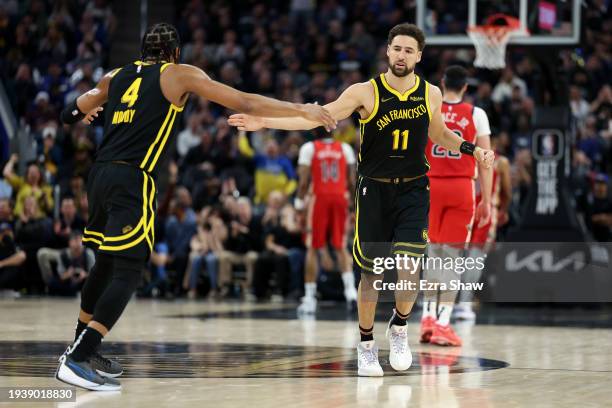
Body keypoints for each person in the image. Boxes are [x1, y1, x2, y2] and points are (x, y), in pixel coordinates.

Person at [55, 22, 335, 391]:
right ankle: (78, 356)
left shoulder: (115, 76)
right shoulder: (180, 74)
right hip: (132, 179)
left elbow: (70, 114)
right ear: (175, 53)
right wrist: (301, 108)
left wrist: (90, 114)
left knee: (106, 264)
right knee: (129, 271)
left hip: (100, 175)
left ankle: (80, 347)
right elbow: (245, 101)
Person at [228, 23, 494, 376]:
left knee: (410, 267)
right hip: (374, 190)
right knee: (373, 273)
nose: (401, 55)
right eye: (396, 48)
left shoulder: (431, 94)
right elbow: (318, 118)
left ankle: (399, 327)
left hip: (414, 188)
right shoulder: (364, 92)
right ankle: (366, 342)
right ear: (387, 51)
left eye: (408, 50)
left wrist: (471, 149)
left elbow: (438, 132)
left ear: (419, 56)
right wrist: (265, 121)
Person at [419, 65, 493, 347]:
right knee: (451, 258)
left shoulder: (429, 110)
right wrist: (486, 199)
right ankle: (443, 323)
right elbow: (485, 160)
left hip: (430, 185)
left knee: (433, 254)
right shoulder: (476, 114)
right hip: (461, 187)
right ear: (465, 87)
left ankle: (426, 316)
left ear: (442, 83)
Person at [294, 129, 357, 314]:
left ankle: (310, 298)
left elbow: (304, 181)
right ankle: (351, 293)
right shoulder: (344, 148)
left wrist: (298, 204)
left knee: (313, 247)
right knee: (340, 246)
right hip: (340, 197)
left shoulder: (309, 148)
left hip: (320, 198)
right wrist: (352, 205)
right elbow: (352, 181)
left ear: (314, 130)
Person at [457, 135, 512, 321]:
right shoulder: (501, 161)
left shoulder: (462, 153)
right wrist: (503, 210)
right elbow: (507, 192)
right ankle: (464, 303)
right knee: (474, 258)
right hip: (486, 212)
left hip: (464, 209)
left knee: (459, 256)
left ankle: (449, 302)